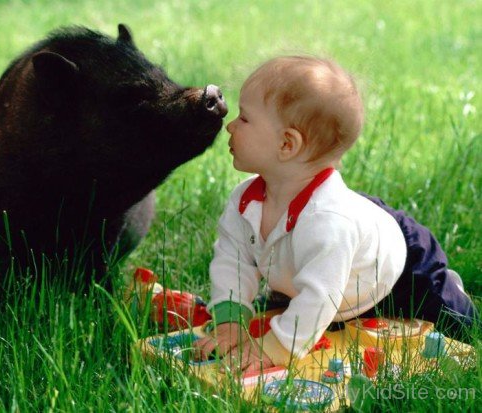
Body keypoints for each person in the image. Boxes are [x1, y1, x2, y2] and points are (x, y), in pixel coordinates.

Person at [192, 56, 475, 373]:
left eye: (244, 119)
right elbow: (234, 259)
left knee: (461, 327)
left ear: (287, 144)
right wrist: (229, 322)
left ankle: (453, 287)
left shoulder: (327, 222)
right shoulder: (245, 200)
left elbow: (319, 296)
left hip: (399, 269)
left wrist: (273, 348)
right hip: (331, 272)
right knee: (297, 307)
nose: (229, 125)